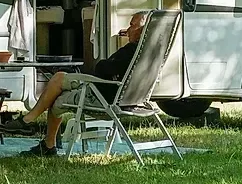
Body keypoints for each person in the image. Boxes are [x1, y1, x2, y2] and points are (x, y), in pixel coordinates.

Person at [19, 11, 148, 157]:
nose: (128, 29)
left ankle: (35, 127)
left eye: (132, 25)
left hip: (102, 97)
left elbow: (102, 68)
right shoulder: (149, 54)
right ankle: (40, 133)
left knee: (57, 90)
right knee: (59, 80)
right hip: (131, 99)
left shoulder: (131, 51)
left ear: (143, 30)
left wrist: (102, 65)